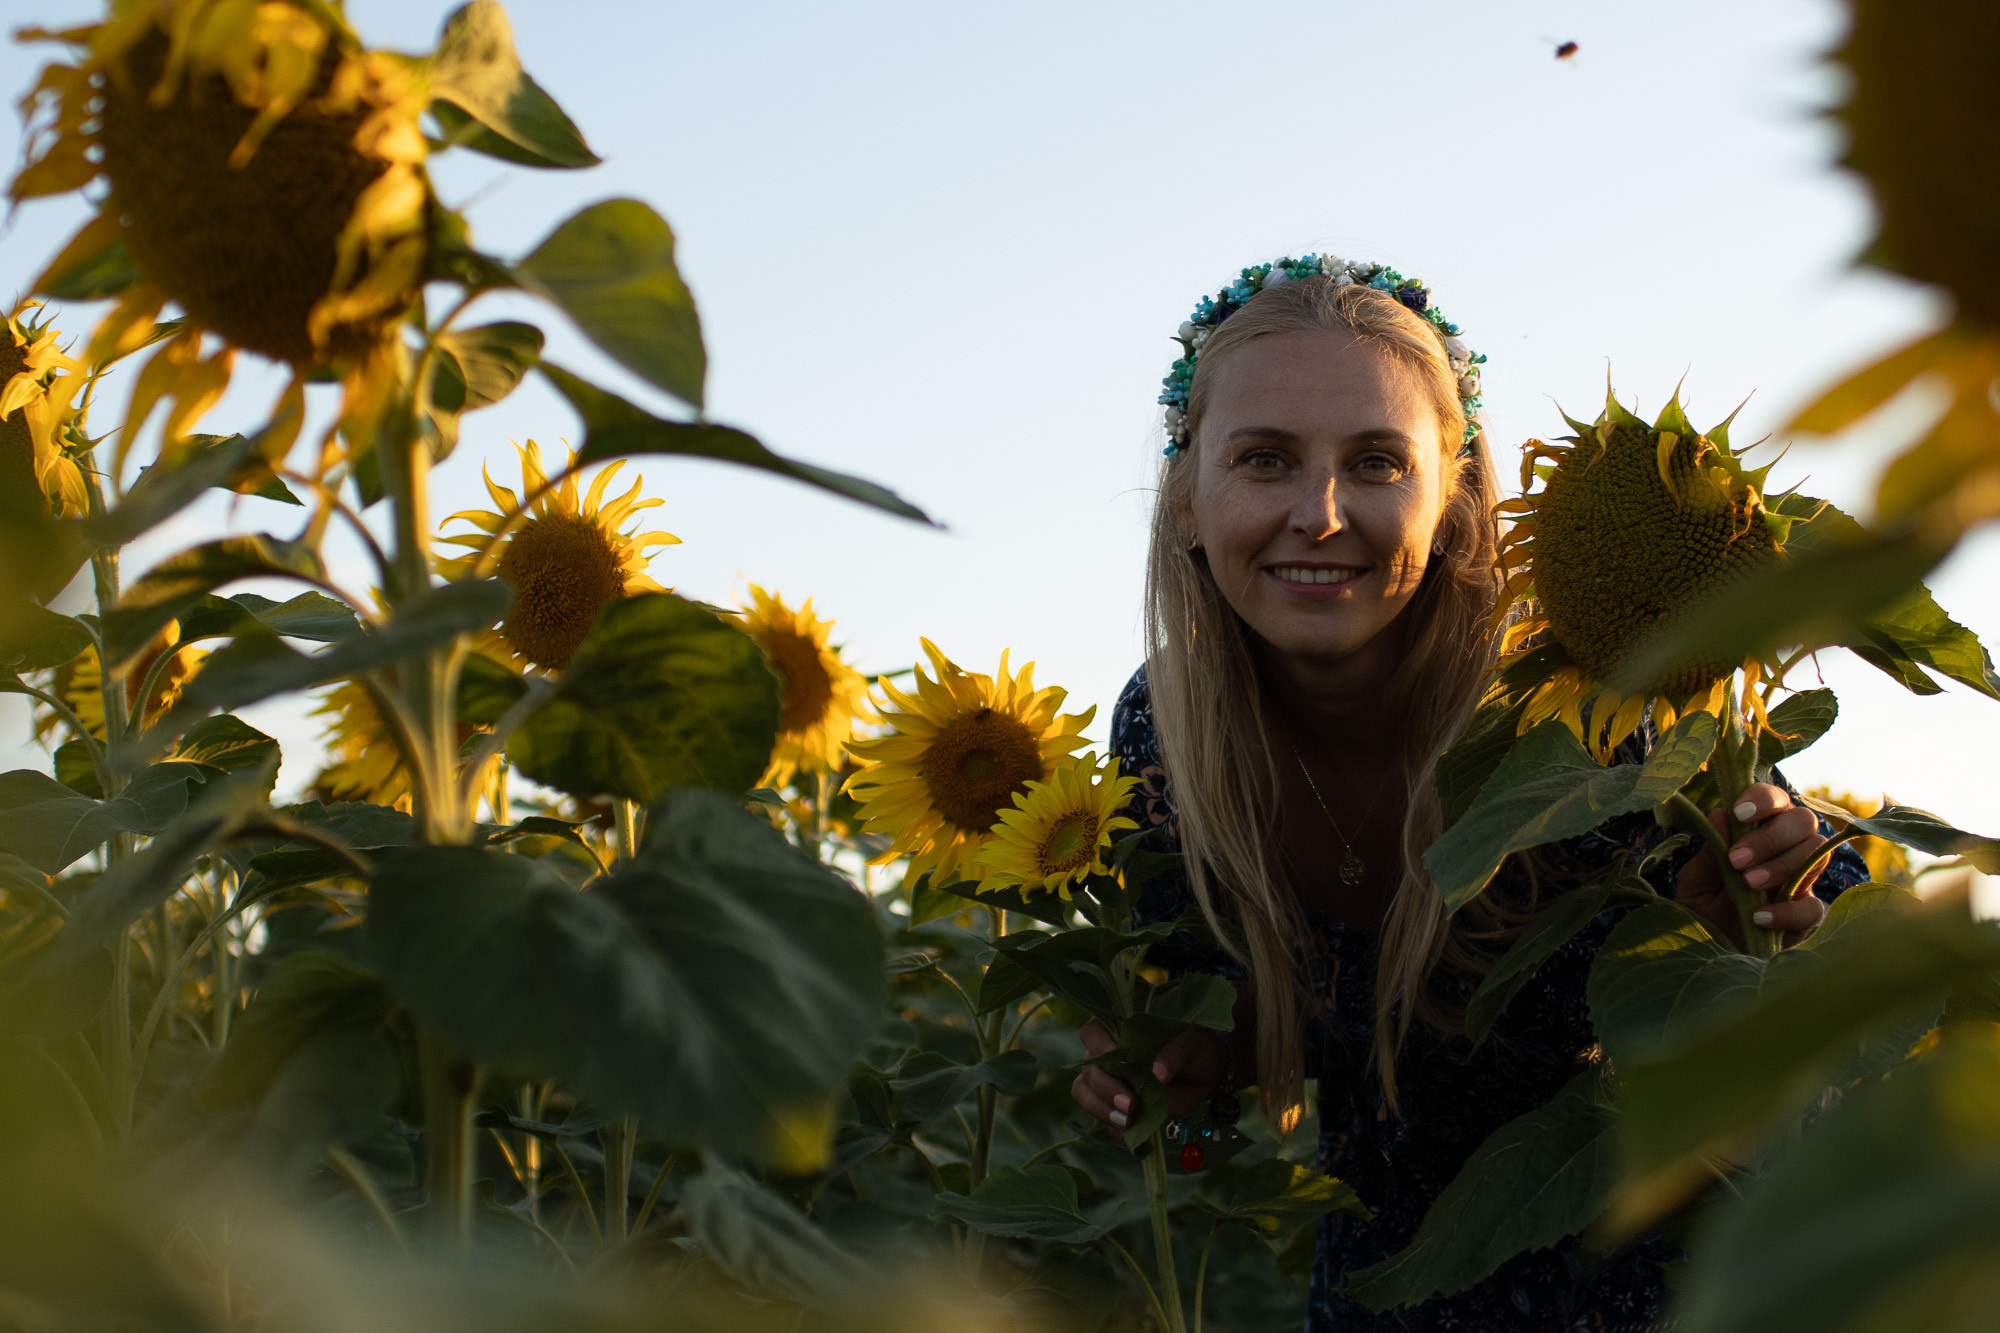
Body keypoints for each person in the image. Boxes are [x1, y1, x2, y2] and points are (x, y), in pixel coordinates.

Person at [1067, 257, 1868, 1331]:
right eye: (1264, 459)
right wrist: (1173, 1088)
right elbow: (1214, 1119)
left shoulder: (1586, 694)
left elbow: (1839, 971)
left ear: (1450, 502)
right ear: (1186, 503)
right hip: (1394, 1289)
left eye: (1375, 463)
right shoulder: (1166, 735)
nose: (1319, 513)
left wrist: (1778, 906)